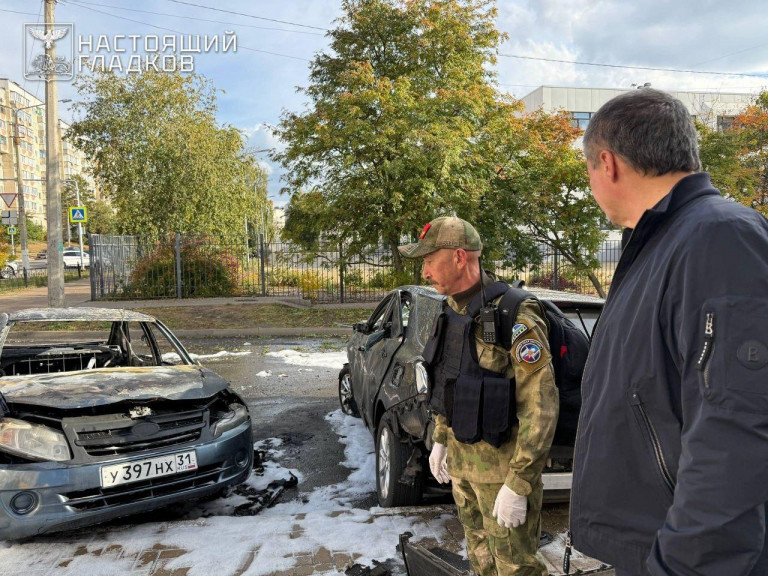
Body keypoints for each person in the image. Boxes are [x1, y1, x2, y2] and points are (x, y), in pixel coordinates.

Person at [570, 88, 768, 576]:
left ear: (607, 163)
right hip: (657, 545)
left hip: (690, 559)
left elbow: (735, 429)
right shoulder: (664, 244)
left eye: (588, 171)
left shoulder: (717, 237)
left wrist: (683, 563)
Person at [398, 216, 559, 576]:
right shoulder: (450, 310)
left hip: (503, 475)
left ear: (459, 257)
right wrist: (441, 439)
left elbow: (541, 406)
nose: (424, 272)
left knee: (516, 569)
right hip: (463, 469)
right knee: (481, 563)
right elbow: (449, 383)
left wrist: (519, 483)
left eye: (428, 260)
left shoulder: (514, 313)